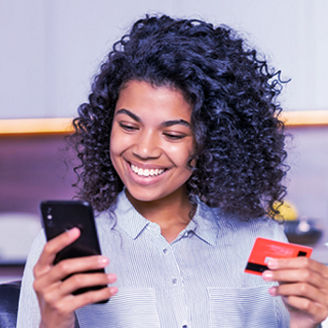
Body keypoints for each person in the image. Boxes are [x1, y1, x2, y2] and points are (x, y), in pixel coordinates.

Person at [17, 14, 328, 328]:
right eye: (128, 126)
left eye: (173, 134)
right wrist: (53, 321)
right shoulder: (60, 249)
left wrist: (306, 322)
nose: (145, 149)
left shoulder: (263, 240)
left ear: (211, 141)